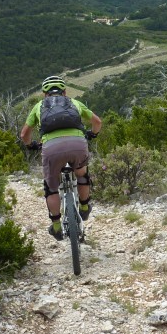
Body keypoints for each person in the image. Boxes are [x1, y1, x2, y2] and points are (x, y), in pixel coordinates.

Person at [20, 75, 102, 241]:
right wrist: (92, 134)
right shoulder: (75, 103)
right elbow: (97, 122)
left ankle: (56, 226)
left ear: (45, 94)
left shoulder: (39, 106)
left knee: (51, 187)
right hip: (77, 144)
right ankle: (84, 207)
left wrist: (31, 145)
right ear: (65, 92)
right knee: (81, 174)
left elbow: (24, 134)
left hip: (51, 148)